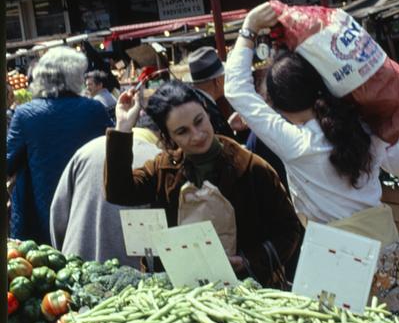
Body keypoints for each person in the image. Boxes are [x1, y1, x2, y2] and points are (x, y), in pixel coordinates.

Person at [225, 2, 399, 323]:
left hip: (335, 262)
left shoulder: (296, 143)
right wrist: (387, 122)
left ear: (277, 105)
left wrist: (248, 29)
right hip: (385, 256)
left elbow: (236, 89)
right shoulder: (363, 125)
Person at [104, 80, 303, 288]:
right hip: (183, 296)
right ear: (168, 136)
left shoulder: (251, 168)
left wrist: (247, 261)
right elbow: (119, 192)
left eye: (199, 121)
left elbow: (289, 231)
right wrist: (123, 127)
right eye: (182, 132)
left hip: (248, 293)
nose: (197, 135)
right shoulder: (163, 170)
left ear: (207, 112)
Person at [7, 46, 113, 245]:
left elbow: (8, 164)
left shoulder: (26, 114)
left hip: (40, 217)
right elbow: (113, 153)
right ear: (75, 77)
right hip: (87, 208)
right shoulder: (94, 110)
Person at [50, 114, 162, 265]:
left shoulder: (87, 150)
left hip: (75, 265)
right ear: (164, 135)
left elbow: (58, 214)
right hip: (133, 277)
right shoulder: (160, 162)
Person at [186, 47, 235, 138]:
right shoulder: (207, 109)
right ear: (217, 81)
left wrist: (229, 125)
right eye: (224, 76)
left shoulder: (197, 103)